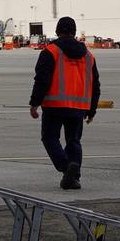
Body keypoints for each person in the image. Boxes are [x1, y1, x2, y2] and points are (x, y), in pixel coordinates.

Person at [28, 16, 101, 189]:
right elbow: (95, 85)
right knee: (74, 141)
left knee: (50, 138)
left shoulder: (50, 51)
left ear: (57, 31)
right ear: (75, 32)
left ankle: (66, 167)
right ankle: (73, 177)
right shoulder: (89, 56)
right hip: (79, 108)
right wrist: (92, 110)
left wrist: (34, 103)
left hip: (54, 106)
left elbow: (42, 80)